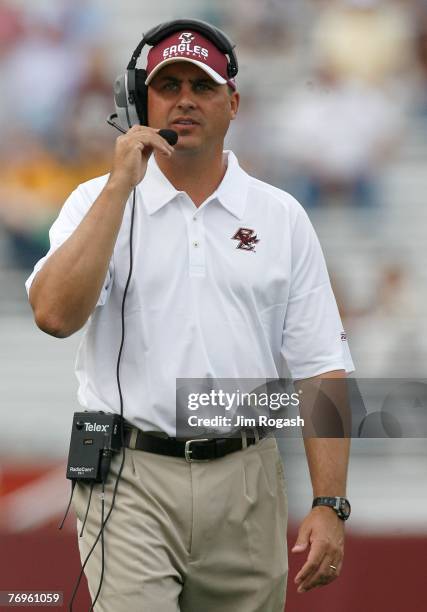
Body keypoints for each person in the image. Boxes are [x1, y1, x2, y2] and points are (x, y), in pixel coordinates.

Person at [25, 19, 354, 612]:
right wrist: (120, 186)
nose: (183, 100)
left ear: (233, 103)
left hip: (247, 476)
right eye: (167, 84)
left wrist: (331, 503)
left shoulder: (281, 217)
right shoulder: (94, 201)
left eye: (200, 86)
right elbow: (53, 314)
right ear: (138, 100)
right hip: (128, 474)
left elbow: (322, 368)